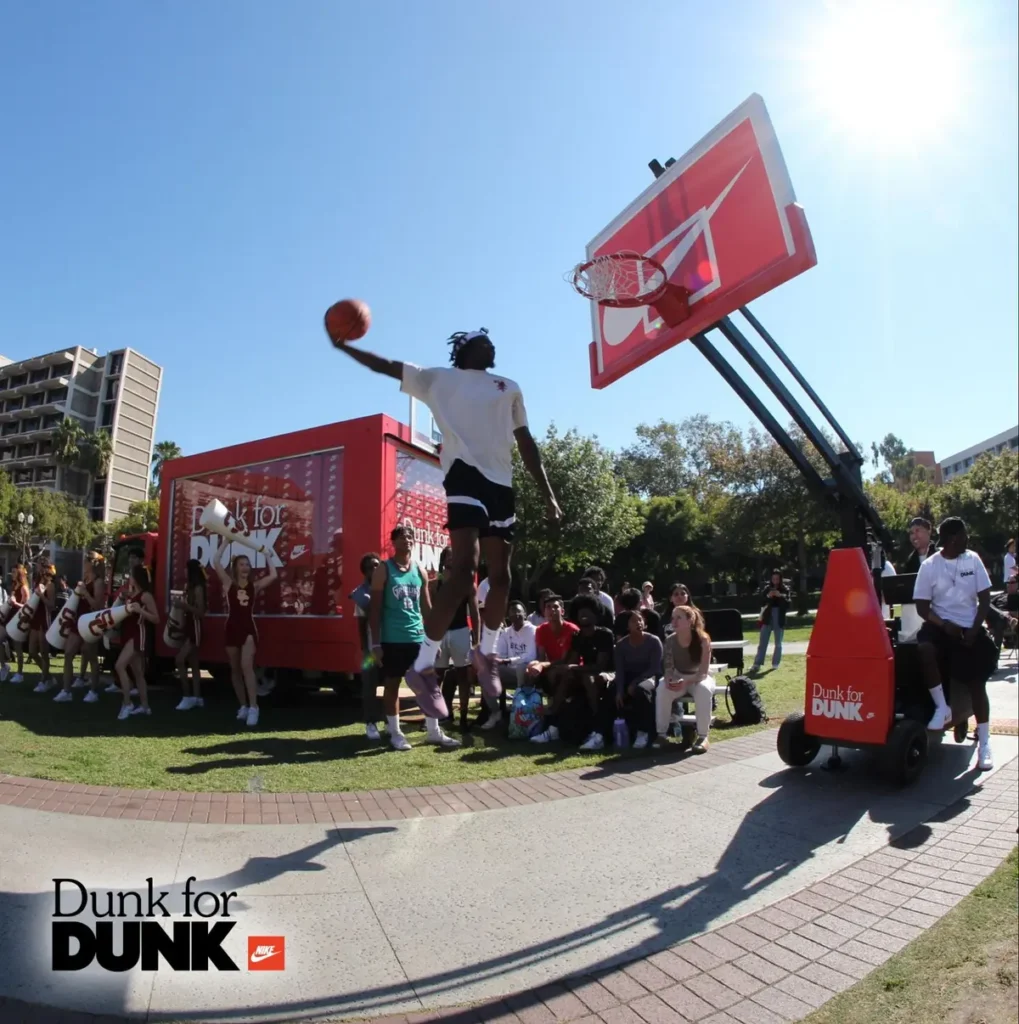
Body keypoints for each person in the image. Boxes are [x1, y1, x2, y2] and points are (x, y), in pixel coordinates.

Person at [334, 327, 561, 714]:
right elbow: (386, 366)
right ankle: (423, 666)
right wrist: (346, 347)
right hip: (464, 474)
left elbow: (526, 442)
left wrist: (549, 494)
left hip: (501, 483)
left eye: (493, 340)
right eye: (481, 340)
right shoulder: (438, 378)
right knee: (464, 569)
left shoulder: (509, 387)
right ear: (464, 349)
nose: (491, 344)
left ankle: (486, 654)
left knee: (502, 577)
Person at [914, 517, 997, 770]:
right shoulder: (929, 566)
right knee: (924, 648)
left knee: (976, 684)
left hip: (969, 628)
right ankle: (942, 708)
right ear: (952, 539)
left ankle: (984, 742)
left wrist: (974, 628)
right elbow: (922, 607)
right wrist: (943, 625)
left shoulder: (972, 559)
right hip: (941, 627)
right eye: (963, 535)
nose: (967, 539)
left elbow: (984, 598)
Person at [369, 525, 459, 750]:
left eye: (410, 536)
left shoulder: (419, 569)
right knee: (393, 685)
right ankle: (396, 732)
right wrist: (376, 643)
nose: (407, 540)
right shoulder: (384, 569)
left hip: (418, 637)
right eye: (402, 537)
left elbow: (426, 608)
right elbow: (375, 610)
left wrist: (433, 640)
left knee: (428, 683)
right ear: (393, 542)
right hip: (393, 639)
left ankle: (433, 731)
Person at [213, 548, 278, 728]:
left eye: (248, 564)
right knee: (234, 669)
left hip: (248, 628)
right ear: (235, 568)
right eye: (242, 564)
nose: (245, 567)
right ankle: (243, 706)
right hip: (231, 628)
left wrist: (267, 555)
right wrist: (227, 540)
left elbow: (273, 575)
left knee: (246, 666)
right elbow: (216, 561)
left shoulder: (254, 586)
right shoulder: (228, 583)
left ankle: (254, 708)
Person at [541, 595, 614, 751]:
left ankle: (597, 729)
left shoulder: (605, 634)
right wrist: (562, 668)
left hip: (608, 673)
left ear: (596, 613)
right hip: (585, 671)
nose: (583, 614)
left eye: (588, 611)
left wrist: (573, 668)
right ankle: (554, 723)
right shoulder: (578, 636)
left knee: (589, 679)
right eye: (580, 612)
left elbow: (600, 665)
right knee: (565, 675)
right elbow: (572, 661)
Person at [434, 546, 480, 733]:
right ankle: (435, 716)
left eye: (455, 555)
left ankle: (462, 717)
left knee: (463, 676)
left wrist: (476, 641)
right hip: (440, 632)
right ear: (443, 559)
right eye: (448, 556)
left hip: (461, 631)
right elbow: (429, 611)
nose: (452, 559)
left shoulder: (468, 583)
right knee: (437, 676)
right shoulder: (434, 582)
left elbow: (475, 613)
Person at [658, 605, 714, 754]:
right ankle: (661, 735)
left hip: (698, 678)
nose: (674, 621)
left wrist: (687, 681)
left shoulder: (703, 639)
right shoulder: (670, 640)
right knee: (662, 688)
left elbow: (703, 672)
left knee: (703, 690)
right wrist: (670, 678)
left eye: (679, 618)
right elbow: (668, 667)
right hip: (679, 676)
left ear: (690, 621)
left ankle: (703, 736)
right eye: (673, 618)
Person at [53, 554, 106, 703]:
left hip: (90, 623)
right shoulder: (86, 579)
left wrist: (85, 593)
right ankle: (66, 690)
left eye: (86, 560)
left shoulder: (98, 581)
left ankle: (94, 691)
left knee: (91, 657)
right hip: (78, 621)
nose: (83, 562)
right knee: (68, 653)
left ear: (92, 563)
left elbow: (98, 606)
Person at [115, 564, 160, 720]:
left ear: (137, 577)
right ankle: (145, 706)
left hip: (137, 634)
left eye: (131, 575)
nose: (129, 578)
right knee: (138, 673)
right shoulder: (131, 594)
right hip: (128, 633)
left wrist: (140, 610)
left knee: (119, 665)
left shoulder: (145, 596)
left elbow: (156, 618)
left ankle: (127, 703)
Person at [613, 611, 662, 749]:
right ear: (627, 626)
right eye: (634, 621)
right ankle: (604, 733)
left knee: (641, 690)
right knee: (611, 691)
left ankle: (644, 732)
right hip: (629, 676)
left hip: (650, 677)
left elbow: (655, 668)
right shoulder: (621, 645)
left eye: (640, 620)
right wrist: (619, 691)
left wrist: (635, 683)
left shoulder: (654, 641)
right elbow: (620, 670)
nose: (638, 623)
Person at [350, 552, 383, 740]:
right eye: (371, 567)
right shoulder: (361, 594)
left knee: (390, 684)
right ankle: (371, 723)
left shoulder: (388, 589)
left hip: (390, 645)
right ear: (365, 572)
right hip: (371, 649)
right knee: (370, 686)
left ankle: (390, 722)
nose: (375, 569)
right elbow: (361, 626)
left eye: (378, 565)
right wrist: (365, 651)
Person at [174, 558, 207, 711]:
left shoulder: (199, 588)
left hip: (196, 626)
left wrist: (184, 606)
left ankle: (187, 696)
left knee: (180, 660)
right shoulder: (189, 587)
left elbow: (201, 612)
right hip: (188, 625)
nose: (184, 572)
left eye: (187, 569)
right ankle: (197, 697)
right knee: (194, 664)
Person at [493, 600, 537, 706]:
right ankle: (495, 710)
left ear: (525, 614)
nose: (516, 614)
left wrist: (508, 660)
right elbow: (501, 654)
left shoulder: (533, 630)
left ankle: (520, 706)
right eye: (512, 612)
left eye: (518, 611)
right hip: (510, 669)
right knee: (489, 671)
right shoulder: (506, 632)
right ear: (508, 616)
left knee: (521, 668)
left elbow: (530, 656)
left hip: (527, 669)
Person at [751, 571, 789, 672]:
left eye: (777, 579)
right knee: (763, 641)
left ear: (780, 579)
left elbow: (788, 604)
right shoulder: (767, 588)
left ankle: (775, 663)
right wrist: (768, 596)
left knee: (778, 642)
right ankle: (757, 663)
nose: (775, 581)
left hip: (779, 616)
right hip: (767, 616)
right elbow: (761, 601)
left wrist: (780, 595)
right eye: (773, 579)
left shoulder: (785, 589)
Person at [29, 562, 56, 693]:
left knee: (44, 652)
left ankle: (44, 680)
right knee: (32, 651)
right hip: (35, 619)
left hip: (44, 619)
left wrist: (41, 596)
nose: (37, 569)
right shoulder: (36, 582)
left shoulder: (50, 585)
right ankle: (49, 677)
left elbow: (51, 605)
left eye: (40, 567)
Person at [6, 565, 29, 683]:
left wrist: (15, 603)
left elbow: (28, 606)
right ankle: (6, 667)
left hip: (19, 619)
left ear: (19, 573)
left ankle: (20, 673)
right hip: (11, 617)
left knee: (18, 647)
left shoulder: (23, 587)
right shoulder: (14, 586)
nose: (12, 574)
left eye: (14, 572)